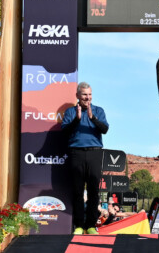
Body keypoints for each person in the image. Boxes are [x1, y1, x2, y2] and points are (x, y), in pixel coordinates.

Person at [61, 82, 109, 235]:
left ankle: (91, 225)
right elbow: (64, 131)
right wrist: (77, 119)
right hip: (77, 153)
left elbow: (105, 129)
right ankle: (79, 225)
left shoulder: (98, 110)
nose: (87, 98)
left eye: (89, 94)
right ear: (77, 96)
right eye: (84, 95)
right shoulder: (70, 112)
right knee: (78, 191)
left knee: (94, 190)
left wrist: (92, 118)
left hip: (95, 153)